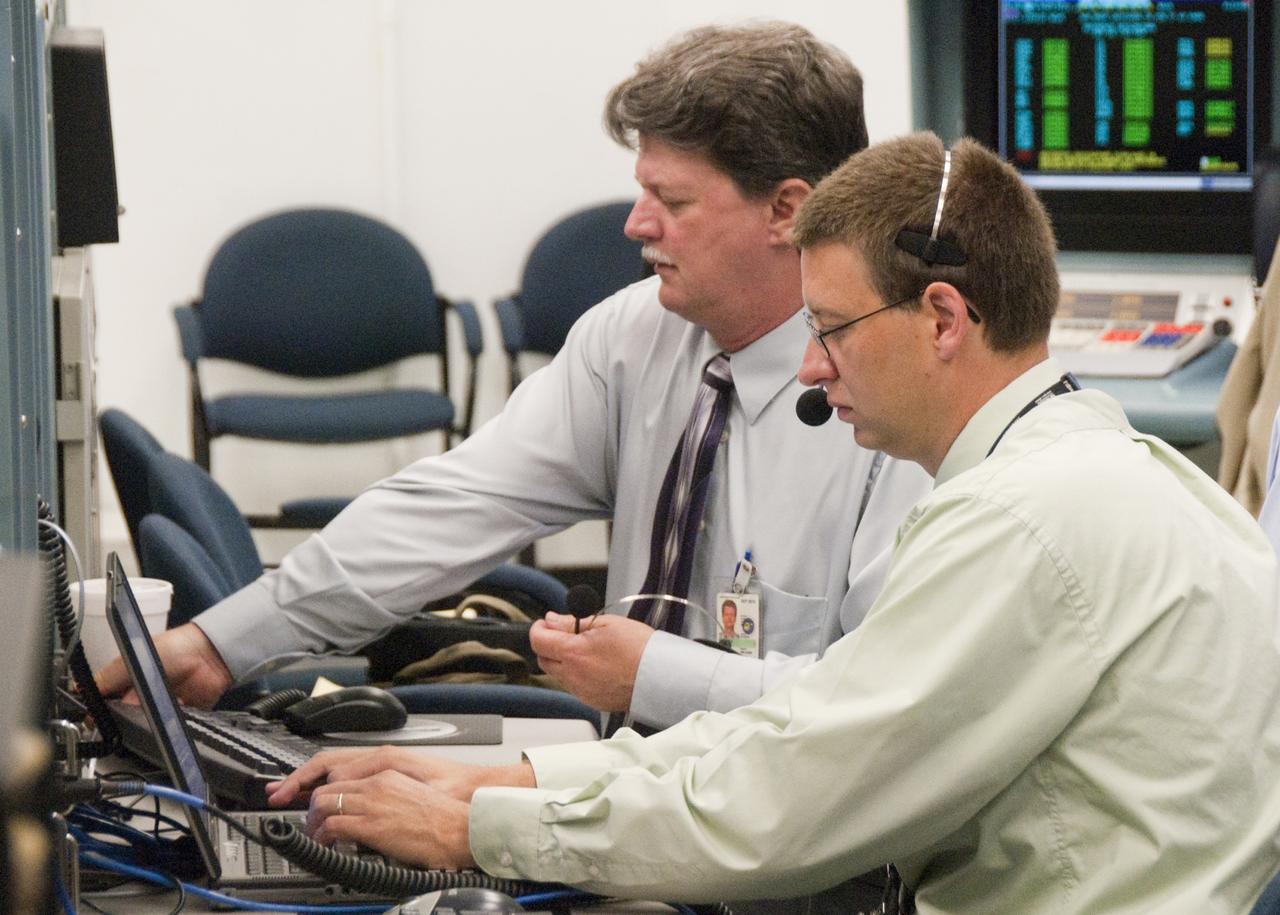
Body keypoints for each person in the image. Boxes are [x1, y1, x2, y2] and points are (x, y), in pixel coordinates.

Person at [269, 133, 1280, 913]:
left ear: (940, 320)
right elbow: (799, 729)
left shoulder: (1023, 517)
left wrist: (478, 826)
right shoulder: (1088, 466)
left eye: (830, 330)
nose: (807, 367)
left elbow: (789, 802)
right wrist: (507, 776)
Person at [98, 24, 930, 728]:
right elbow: (453, 507)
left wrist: (656, 676)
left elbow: (880, 713)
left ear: (786, 210)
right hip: (637, 809)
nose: (637, 225)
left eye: (671, 202)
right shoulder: (635, 335)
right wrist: (220, 643)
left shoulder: (905, 408)